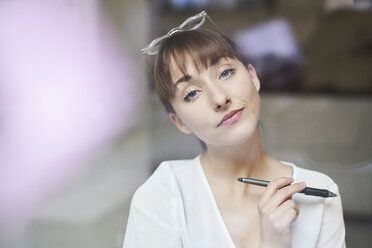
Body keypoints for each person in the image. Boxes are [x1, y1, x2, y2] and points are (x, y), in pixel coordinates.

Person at [123, 11, 345, 248]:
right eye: (192, 93)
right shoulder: (161, 196)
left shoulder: (320, 195)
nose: (219, 98)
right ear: (180, 122)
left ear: (253, 77)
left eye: (226, 72)